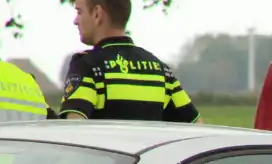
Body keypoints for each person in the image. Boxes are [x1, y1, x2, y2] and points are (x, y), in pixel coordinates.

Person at [59, 0, 202, 123]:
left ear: (97, 14)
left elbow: (73, 132)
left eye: (79, 12)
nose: (75, 21)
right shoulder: (161, 71)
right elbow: (197, 129)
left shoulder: (87, 66)